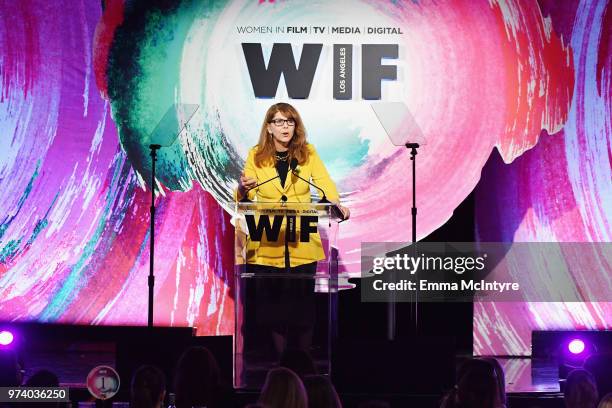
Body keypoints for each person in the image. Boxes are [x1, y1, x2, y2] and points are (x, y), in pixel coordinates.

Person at [236, 103, 349, 356]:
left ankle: (303, 362)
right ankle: (282, 363)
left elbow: (324, 184)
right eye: (279, 122)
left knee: (302, 308)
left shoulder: (307, 153)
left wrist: (337, 205)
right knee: (273, 309)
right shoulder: (256, 155)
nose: (285, 127)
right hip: (268, 239)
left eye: (290, 121)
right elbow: (247, 195)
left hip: (301, 241)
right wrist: (243, 188)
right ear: (269, 127)